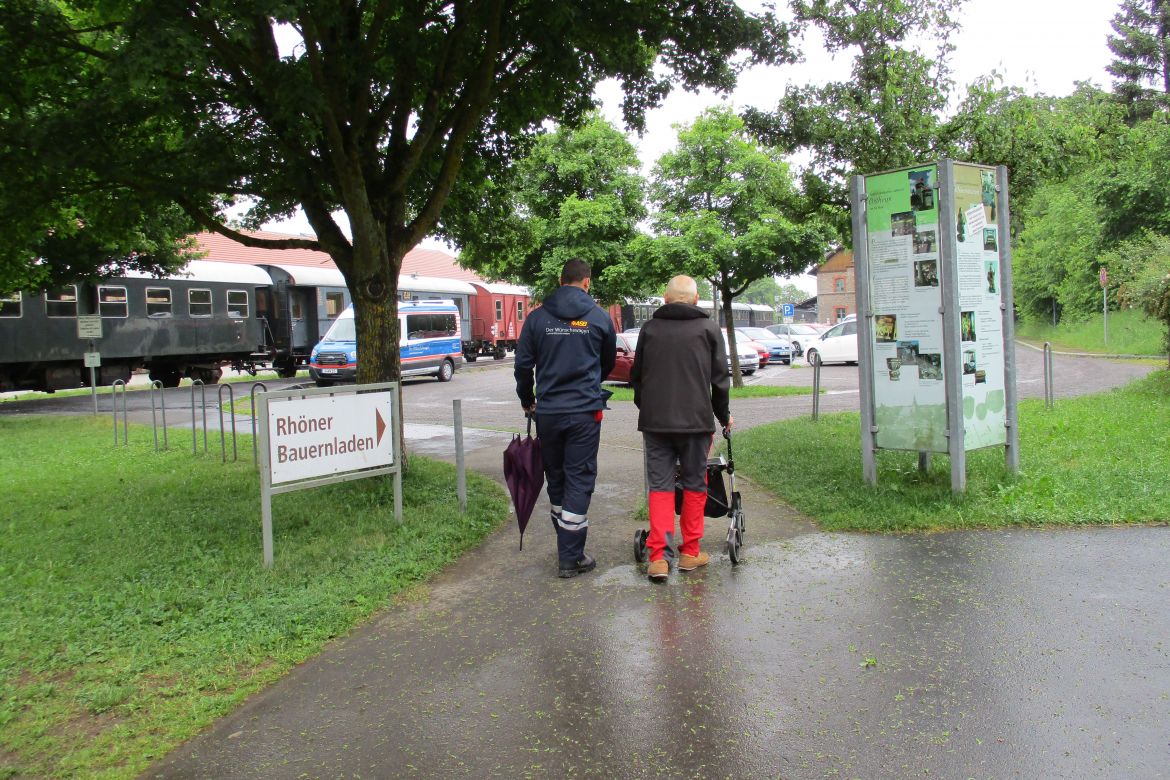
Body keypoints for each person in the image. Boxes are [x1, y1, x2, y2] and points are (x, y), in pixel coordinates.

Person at [514, 259, 617, 578]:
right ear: (587, 282)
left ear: (561, 280)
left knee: (556, 476)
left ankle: (566, 546)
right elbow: (608, 363)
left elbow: (522, 367)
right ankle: (570, 557)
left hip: (549, 413)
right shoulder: (600, 318)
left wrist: (528, 400)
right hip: (585, 412)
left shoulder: (536, 319)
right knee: (580, 476)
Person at [630, 275, 733, 583]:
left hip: (656, 423)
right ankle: (690, 552)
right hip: (696, 423)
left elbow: (637, 378)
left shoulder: (649, 329)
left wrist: (648, 409)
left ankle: (659, 557)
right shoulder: (708, 329)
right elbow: (719, 381)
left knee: (660, 487)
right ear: (696, 298)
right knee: (694, 484)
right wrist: (723, 415)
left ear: (665, 298)